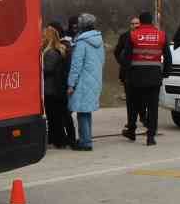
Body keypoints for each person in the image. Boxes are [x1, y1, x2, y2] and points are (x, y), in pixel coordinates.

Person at [121, 11, 171, 146]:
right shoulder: (161, 35)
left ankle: (131, 130)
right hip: (154, 77)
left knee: (134, 105)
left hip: (136, 77)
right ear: (152, 22)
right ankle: (150, 137)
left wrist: (125, 74)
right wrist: (166, 73)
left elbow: (126, 57)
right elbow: (167, 56)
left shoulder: (133, 35)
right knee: (153, 107)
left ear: (141, 22)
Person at [67, 13, 105, 150]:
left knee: (82, 112)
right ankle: (87, 139)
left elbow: (76, 65)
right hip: (95, 80)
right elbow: (102, 61)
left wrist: (71, 84)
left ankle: (85, 142)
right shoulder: (99, 40)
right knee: (86, 111)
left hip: (83, 81)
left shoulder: (81, 42)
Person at [41, 24, 73, 148]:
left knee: (53, 116)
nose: (42, 38)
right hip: (57, 88)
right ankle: (59, 139)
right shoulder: (60, 50)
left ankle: (59, 140)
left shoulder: (50, 53)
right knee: (57, 115)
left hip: (51, 88)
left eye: (44, 36)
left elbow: (47, 69)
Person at [114, 15, 142, 134]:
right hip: (127, 72)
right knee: (130, 99)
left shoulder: (143, 36)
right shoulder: (124, 37)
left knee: (141, 98)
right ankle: (132, 122)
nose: (135, 26)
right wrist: (123, 63)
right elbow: (117, 51)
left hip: (141, 72)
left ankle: (143, 117)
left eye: (137, 23)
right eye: (132, 24)